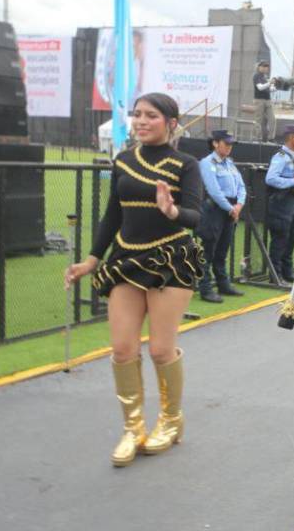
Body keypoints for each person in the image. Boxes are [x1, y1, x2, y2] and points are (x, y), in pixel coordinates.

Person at [65, 93, 204, 466]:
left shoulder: (185, 164)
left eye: (151, 116)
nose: (141, 121)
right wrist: (92, 260)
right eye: (137, 114)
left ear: (171, 122)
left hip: (170, 260)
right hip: (125, 259)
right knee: (123, 349)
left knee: (160, 349)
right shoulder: (124, 160)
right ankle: (133, 429)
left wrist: (172, 210)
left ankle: (172, 421)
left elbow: (196, 216)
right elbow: (113, 215)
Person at [196, 129, 247, 303]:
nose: (229, 147)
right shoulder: (207, 162)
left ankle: (223, 284)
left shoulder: (229, 163)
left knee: (222, 249)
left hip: (230, 209)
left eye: (231, 144)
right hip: (215, 210)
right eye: (226, 143)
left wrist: (239, 205)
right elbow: (214, 190)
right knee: (208, 249)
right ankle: (205, 288)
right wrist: (231, 208)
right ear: (215, 143)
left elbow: (241, 186)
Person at [265, 123, 294, 283]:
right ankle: (275, 276)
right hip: (281, 204)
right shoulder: (280, 157)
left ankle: (287, 272)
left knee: (291, 239)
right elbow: (270, 178)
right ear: (291, 137)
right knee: (280, 240)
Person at [253, 60, 275, 141]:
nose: (265, 68)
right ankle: (258, 138)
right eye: (263, 66)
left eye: (266, 67)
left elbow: (269, 89)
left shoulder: (265, 77)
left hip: (268, 100)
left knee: (272, 119)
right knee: (258, 120)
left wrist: (277, 87)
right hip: (259, 100)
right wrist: (270, 83)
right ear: (259, 67)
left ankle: (271, 138)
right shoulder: (256, 76)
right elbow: (260, 87)